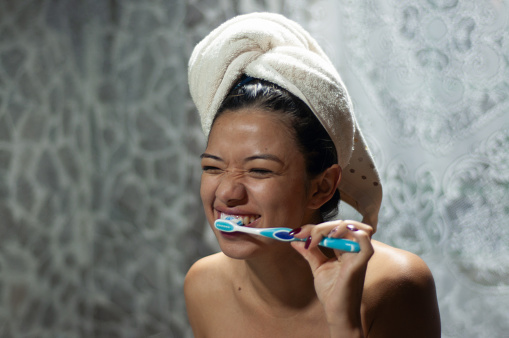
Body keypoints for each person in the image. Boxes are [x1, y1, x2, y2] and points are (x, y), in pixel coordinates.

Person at [185, 13, 440, 338]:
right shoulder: (202, 285)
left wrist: (343, 322)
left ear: (322, 187)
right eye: (213, 167)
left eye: (259, 170)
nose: (227, 193)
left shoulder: (395, 284)